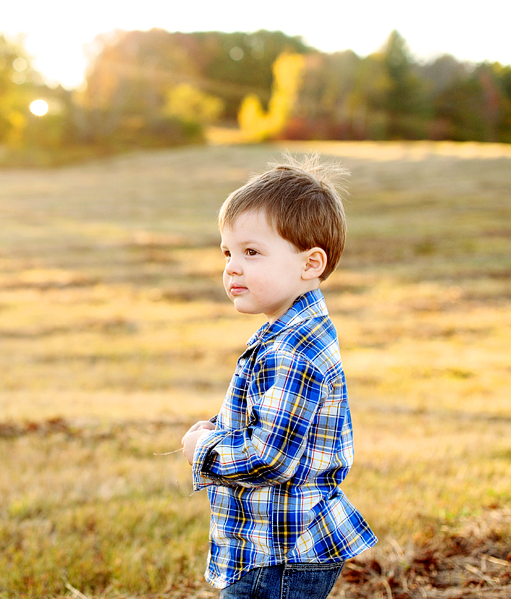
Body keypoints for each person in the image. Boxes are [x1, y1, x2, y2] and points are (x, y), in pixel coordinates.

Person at [181, 153, 377, 599]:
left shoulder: (293, 349)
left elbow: (270, 457)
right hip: (278, 545)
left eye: (251, 252)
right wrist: (225, 428)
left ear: (310, 264)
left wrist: (203, 448)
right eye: (228, 252)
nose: (232, 266)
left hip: (280, 555)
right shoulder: (289, 331)